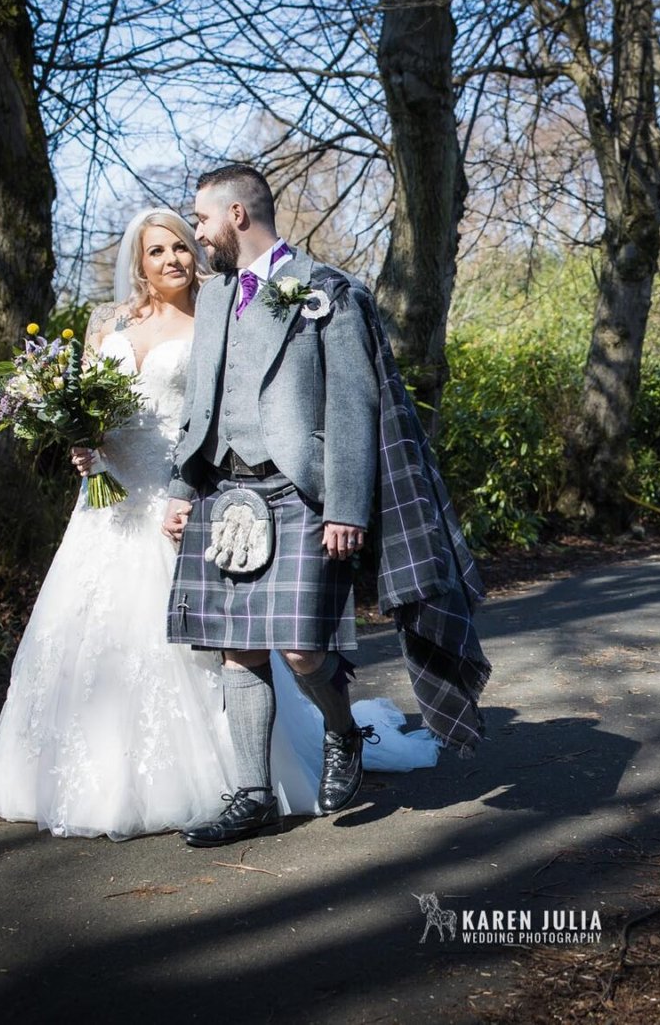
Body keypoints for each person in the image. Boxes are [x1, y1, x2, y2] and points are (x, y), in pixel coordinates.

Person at [165, 164, 492, 849]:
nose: (195, 235)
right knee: (238, 648)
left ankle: (343, 730)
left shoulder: (325, 291)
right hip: (226, 492)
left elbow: (351, 404)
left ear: (238, 216)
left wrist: (346, 505)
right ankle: (250, 795)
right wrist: (179, 487)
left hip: (300, 492)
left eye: (201, 220)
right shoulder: (219, 295)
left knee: (304, 648)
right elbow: (201, 399)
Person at [0, 207, 321, 839]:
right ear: (137, 261)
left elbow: (225, 413)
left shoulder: (216, 315)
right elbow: (87, 403)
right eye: (157, 251)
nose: (172, 260)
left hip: (175, 497)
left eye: (182, 248)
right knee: (89, 631)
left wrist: (191, 489)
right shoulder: (107, 322)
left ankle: (238, 776)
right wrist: (80, 443)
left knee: (197, 641)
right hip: (104, 502)